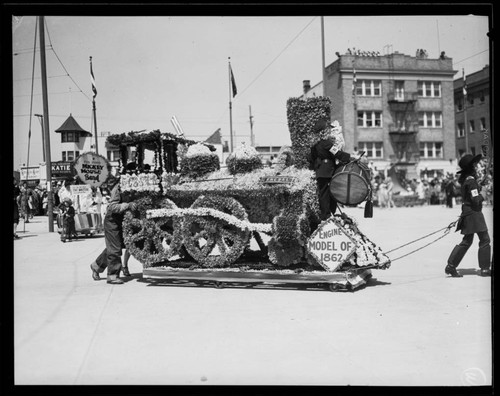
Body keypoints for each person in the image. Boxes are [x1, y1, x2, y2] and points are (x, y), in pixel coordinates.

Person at [445, 154, 491, 277]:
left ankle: (451, 265)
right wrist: (484, 193)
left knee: (467, 241)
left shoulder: (468, 180)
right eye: (475, 165)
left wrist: (479, 186)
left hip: (468, 212)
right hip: (474, 213)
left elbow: (471, 194)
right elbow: (476, 200)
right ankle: (485, 269)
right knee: (485, 239)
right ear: (471, 167)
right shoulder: (471, 181)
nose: (477, 166)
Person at [90, 164, 137, 284]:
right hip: (112, 221)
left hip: (122, 221)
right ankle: (112, 275)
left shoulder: (134, 188)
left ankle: (96, 266)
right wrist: (127, 205)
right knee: (115, 249)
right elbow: (113, 206)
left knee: (116, 246)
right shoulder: (118, 188)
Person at [309, 120, 353, 220]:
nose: (330, 131)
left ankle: (326, 214)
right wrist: (350, 157)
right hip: (327, 171)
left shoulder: (315, 144)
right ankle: (327, 215)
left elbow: (311, 158)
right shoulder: (326, 143)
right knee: (328, 194)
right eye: (328, 129)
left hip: (321, 171)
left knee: (324, 193)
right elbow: (337, 153)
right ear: (323, 131)